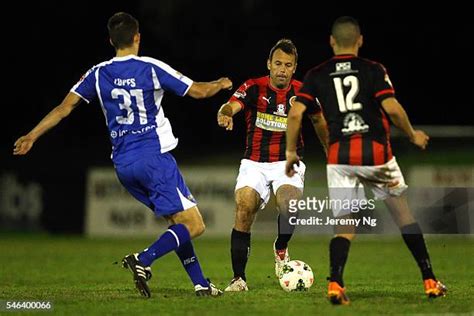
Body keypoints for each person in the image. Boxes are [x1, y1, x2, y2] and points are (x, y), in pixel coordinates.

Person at [13, 12, 233, 298]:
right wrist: (220, 83)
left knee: (178, 225)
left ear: (111, 40)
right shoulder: (149, 67)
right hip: (153, 158)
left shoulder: (98, 73)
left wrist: (32, 135)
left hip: (123, 165)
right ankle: (143, 259)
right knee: (194, 225)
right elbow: (199, 92)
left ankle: (201, 284)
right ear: (137, 37)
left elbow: (64, 108)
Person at [285, 16, 447, 305]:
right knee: (403, 216)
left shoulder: (316, 74)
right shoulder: (373, 70)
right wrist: (412, 135)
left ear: (332, 42)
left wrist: (290, 153)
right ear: (359, 40)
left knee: (345, 226)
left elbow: (296, 114)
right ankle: (430, 280)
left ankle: (335, 283)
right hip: (376, 154)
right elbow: (392, 108)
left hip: (340, 157)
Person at [217, 39, 324, 291]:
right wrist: (225, 113)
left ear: (294, 67)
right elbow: (231, 105)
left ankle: (281, 248)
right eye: (278, 63)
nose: (282, 69)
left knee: (289, 205)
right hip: (254, 162)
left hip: (288, 160)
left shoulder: (303, 92)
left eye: (288, 65)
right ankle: (238, 279)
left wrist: (330, 150)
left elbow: (319, 119)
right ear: (269, 64)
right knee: (244, 206)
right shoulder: (253, 87)